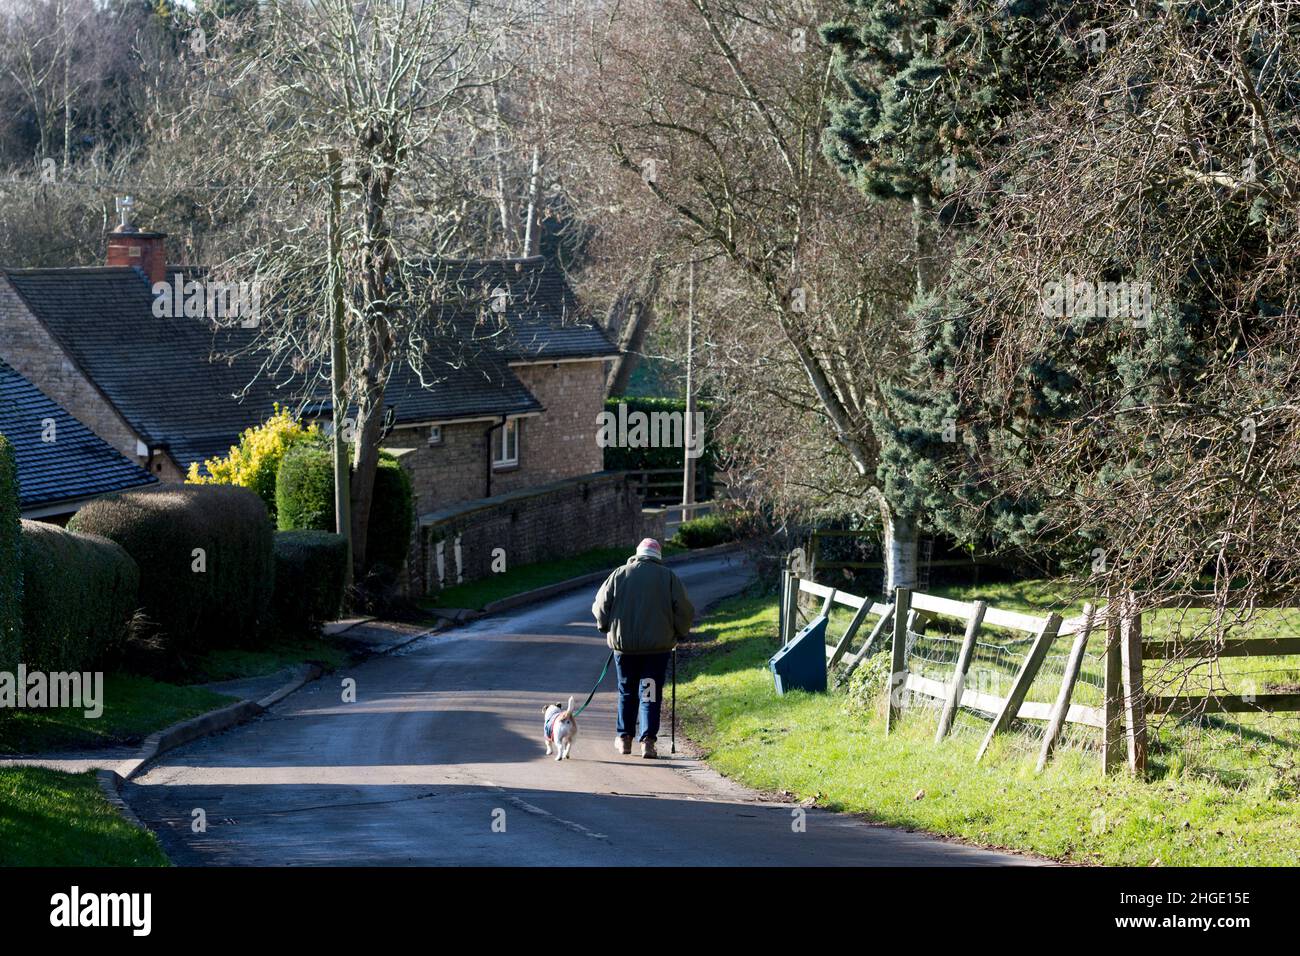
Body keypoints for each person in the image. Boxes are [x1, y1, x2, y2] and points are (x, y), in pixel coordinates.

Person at [591, 537, 695, 758]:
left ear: (637, 554)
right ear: (658, 557)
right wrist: (680, 632)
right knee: (649, 692)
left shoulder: (619, 574)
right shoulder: (668, 577)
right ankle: (648, 741)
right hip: (656, 650)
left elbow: (600, 606)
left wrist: (605, 627)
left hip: (625, 648)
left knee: (627, 691)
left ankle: (624, 738)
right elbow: (684, 609)